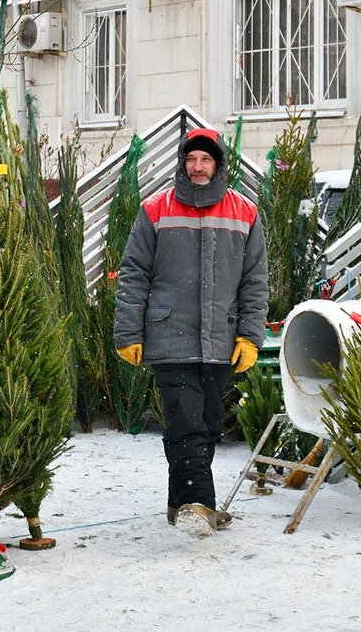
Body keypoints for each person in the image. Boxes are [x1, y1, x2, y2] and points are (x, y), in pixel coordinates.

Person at [113, 127, 268, 538]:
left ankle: (176, 501)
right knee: (186, 423)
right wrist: (128, 333)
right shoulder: (155, 209)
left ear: (218, 164)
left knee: (208, 423)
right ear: (183, 163)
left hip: (221, 338)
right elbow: (133, 274)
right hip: (170, 335)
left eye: (206, 160)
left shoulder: (245, 212)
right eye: (191, 160)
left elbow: (255, 281)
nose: (198, 167)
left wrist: (250, 336)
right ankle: (199, 505)